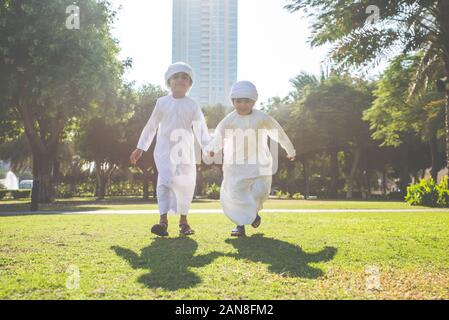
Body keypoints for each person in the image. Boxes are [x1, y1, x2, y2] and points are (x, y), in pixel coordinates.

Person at [205, 81, 296, 236]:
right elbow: (218, 137)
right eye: (238, 101)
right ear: (233, 102)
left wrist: (290, 149)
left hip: (259, 162)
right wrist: (212, 149)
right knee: (237, 194)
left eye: (247, 101)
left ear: (254, 101)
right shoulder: (228, 120)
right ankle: (240, 225)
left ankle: (253, 214)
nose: (242, 105)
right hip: (236, 164)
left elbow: (278, 133)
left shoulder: (262, 117)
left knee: (260, 192)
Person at [130, 62, 210, 237]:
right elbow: (151, 126)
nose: (180, 80)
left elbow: (201, 129)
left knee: (186, 184)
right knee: (164, 182)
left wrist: (208, 148)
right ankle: (162, 221)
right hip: (164, 151)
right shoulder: (161, 102)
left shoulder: (193, 105)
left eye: (185, 77)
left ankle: (183, 222)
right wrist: (140, 148)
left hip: (185, 152)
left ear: (190, 84)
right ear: (169, 81)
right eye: (176, 77)